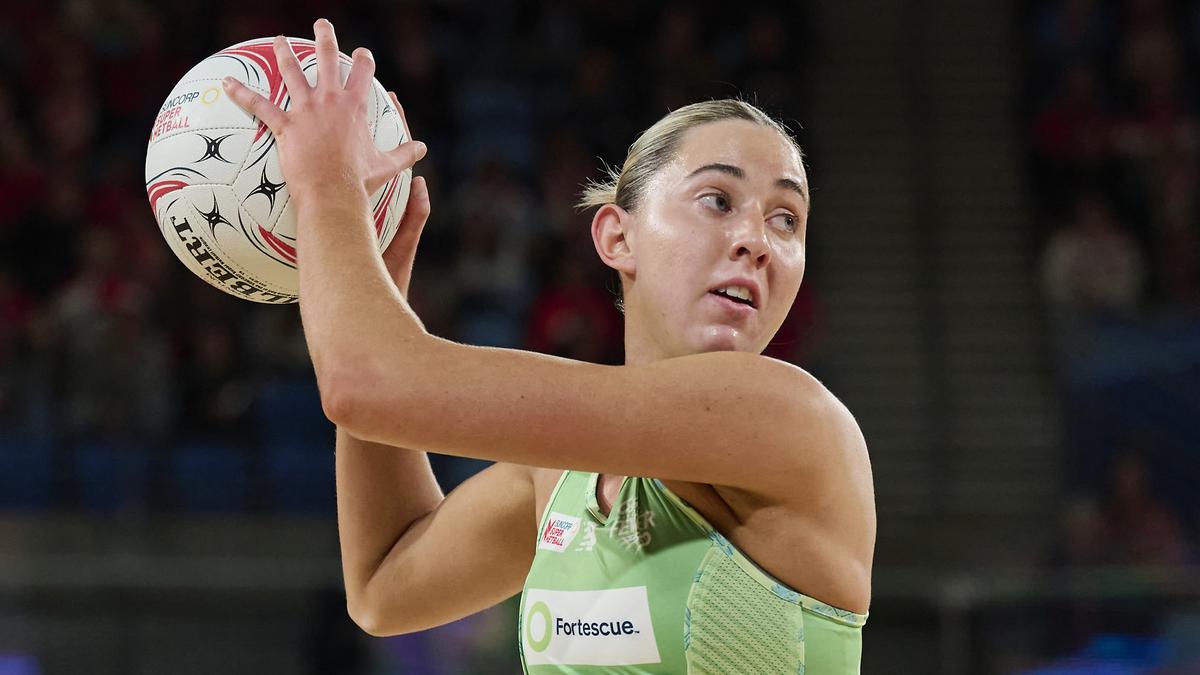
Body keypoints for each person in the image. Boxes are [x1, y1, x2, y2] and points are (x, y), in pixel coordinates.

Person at [222, 18, 875, 673]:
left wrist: (326, 187)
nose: (757, 240)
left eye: (786, 218)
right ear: (617, 237)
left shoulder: (787, 417)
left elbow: (366, 385)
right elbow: (385, 585)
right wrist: (377, 282)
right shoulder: (559, 476)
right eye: (717, 199)